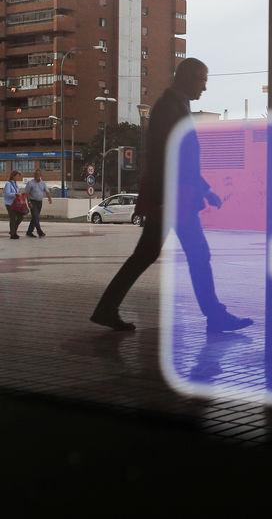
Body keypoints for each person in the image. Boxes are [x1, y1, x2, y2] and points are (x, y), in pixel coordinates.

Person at [91, 58, 252, 333]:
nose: (204, 86)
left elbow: (182, 159)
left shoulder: (175, 107)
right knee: (196, 254)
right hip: (173, 199)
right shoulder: (170, 108)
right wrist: (168, 198)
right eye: (202, 79)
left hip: (174, 197)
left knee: (147, 255)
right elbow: (167, 158)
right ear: (187, 77)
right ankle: (215, 315)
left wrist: (205, 189)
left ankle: (106, 309)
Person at [24, 169, 52, 237]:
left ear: (40, 175)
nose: (37, 176)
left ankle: (29, 232)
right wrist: (29, 202)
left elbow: (47, 191)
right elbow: (27, 193)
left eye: (38, 174)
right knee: (36, 217)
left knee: (34, 217)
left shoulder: (43, 183)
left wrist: (49, 198)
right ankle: (40, 232)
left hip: (39, 202)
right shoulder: (30, 183)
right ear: (34, 175)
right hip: (32, 201)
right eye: (35, 174)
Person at [4, 170, 26, 240]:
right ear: (13, 176)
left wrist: (20, 194)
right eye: (17, 176)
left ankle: (12, 231)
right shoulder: (8, 184)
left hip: (16, 204)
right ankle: (13, 234)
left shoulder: (16, 184)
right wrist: (15, 194)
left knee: (20, 217)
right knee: (12, 219)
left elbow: (17, 192)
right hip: (10, 204)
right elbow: (7, 194)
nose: (18, 177)